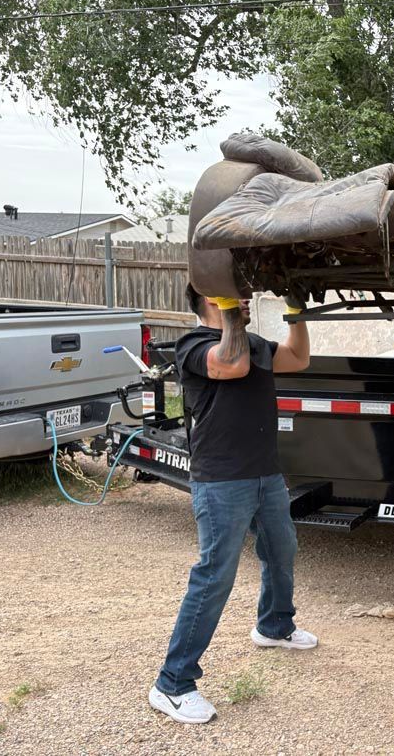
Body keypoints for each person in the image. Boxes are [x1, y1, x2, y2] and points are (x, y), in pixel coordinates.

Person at [149, 286, 315, 724]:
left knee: (282, 551)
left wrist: (296, 312)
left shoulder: (253, 342)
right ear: (210, 299)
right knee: (214, 576)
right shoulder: (194, 346)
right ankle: (172, 684)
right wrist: (231, 314)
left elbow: (298, 359)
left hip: (266, 473)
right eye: (234, 295)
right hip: (222, 480)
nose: (245, 299)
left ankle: (274, 626)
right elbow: (233, 364)